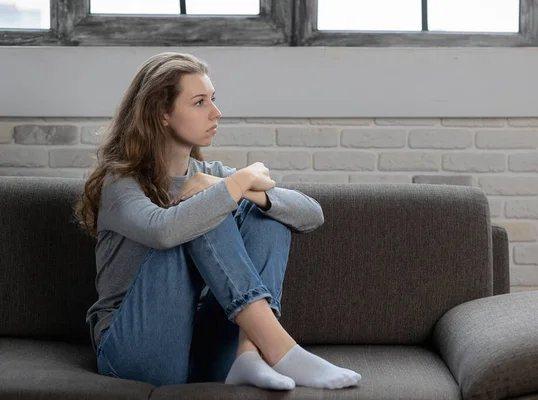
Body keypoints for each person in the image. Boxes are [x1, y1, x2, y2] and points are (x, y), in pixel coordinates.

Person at [74, 52, 361, 391]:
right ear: (162, 114)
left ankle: (249, 351)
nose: (216, 112)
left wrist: (244, 187)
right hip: (137, 350)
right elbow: (164, 230)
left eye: (213, 99)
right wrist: (241, 180)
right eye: (199, 102)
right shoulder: (120, 183)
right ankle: (281, 349)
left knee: (267, 216)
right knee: (203, 207)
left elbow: (311, 214)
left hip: (205, 350)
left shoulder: (211, 176)